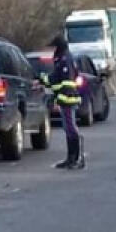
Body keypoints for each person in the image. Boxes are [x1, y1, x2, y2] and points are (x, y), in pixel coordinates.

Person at [42, 36, 84, 169]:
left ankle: (76, 158)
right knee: (68, 128)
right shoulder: (63, 59)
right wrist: (44, 80)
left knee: (71, 128)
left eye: (54, 47)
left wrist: (44, 79)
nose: (52, 50)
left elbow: (64, 81)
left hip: (67, 98)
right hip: (64, 98)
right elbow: (55, 79)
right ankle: (71, 158)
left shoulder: (65, 60)